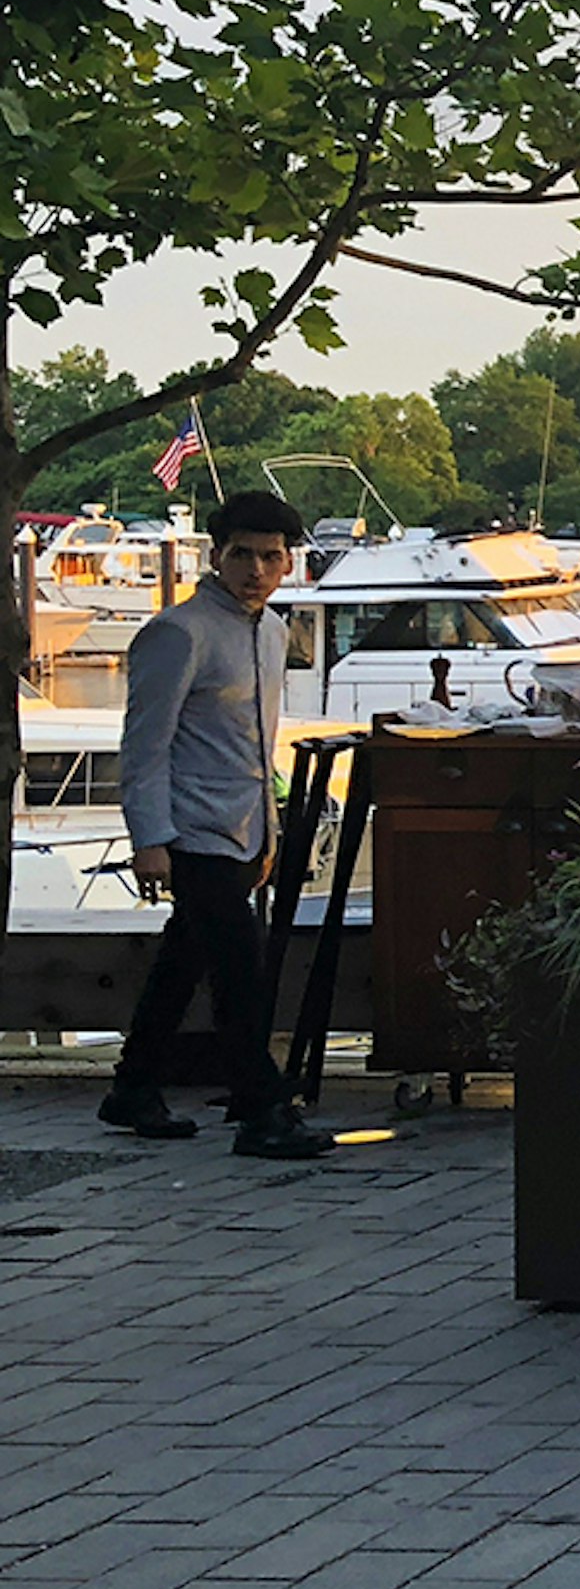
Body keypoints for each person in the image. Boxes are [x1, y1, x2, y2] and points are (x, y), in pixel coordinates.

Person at [104, 489, 324, 1158]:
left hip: (244, 828)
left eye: (270, 556)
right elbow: (144, 742)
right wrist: (149, 839)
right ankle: (261, 1110)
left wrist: (271, 832)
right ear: (215, 555)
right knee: (240, 969)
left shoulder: (275, 630)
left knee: (183, 960)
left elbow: (260, 741)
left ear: (289, 563)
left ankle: (133, 1085)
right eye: (241, 554)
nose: (256, 569)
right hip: (188, 829)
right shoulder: (179, 631)